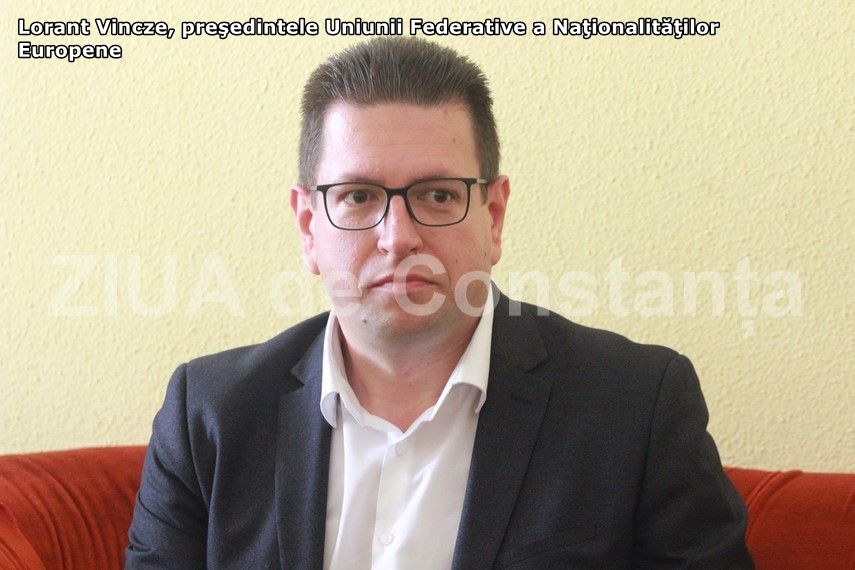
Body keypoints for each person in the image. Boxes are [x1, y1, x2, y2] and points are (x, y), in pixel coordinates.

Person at [126, 37, 752, 569]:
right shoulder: (206, 414)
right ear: (308, 226)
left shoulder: (636, 406)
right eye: (358, 197)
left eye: (438, 195)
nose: (398, 237)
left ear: (493, 216)